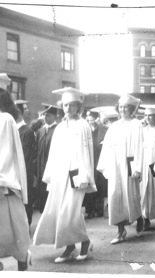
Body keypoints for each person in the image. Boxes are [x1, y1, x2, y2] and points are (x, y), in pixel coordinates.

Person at [33, 87, 96, 263]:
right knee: (62, 211)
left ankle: (84, 242)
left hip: (76, 174)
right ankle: (70, 246)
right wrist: (51, 176)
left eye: (72, 105)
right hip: (60, 174)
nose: (68, 108)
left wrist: (85, 175)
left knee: (71, 211)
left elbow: (86, 152)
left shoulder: (83, 125)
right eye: (65, 105)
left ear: (78, 107)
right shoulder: (60, 127)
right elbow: (54, 153)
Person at [97, 94, 144, 244]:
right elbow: (107, 146)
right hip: (115, 165)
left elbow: (139, 147)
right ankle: (120, 231)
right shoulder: (114, 126)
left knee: (131, 196)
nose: (123, 110)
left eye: (126, 107)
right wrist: (106, 165)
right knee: (115, 196)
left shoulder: (136, 124)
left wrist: (137, 167)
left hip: (130, 164)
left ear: (131, 109)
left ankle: (139, 218)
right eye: (121, 107)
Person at [0, 73, 31, 271]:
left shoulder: (6, 120)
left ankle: (23, 263)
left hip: (5, 184)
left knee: (15, 230)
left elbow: (9, 154)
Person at [34, 103, 59, 213]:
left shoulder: (58, 130)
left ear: (54, 116)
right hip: (40, 166)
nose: (45, 117)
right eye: (44, 115)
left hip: (52, 165)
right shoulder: (40, 131)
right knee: (41, 188)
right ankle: (42, 208)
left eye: (48, 115)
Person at [15, 99, 36, 227]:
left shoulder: (26, 131)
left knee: (25, 201)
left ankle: (26, 227)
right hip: (13, 173)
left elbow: (27, 156)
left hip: (23, 173)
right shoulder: (11, 128)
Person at [84, 110, 108, 218]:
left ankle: (99, 210)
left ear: (96, 119)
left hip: (99, 161)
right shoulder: (85, 130)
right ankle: (90, 210)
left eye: (92, 119)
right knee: (89, 186)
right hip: (89, 162)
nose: (90, 122)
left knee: (99, 186)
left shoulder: (103, 130)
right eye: (88, 120)